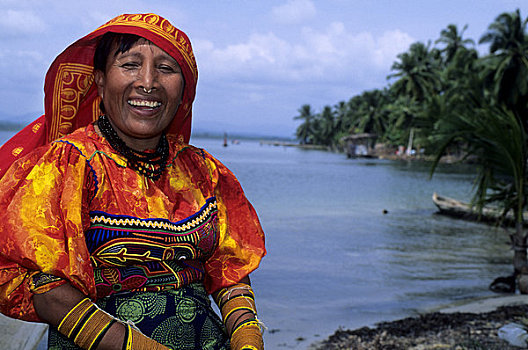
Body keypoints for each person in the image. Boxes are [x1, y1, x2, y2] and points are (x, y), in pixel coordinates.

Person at [0, 13, 266, 350]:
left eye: (166, 69)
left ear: (184, 90)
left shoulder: (202, 171)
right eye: (130, 65)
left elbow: (228, 269)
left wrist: (247, 337)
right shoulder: (67, 165)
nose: (148, 82)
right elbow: (45, 288)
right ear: (99, 81)